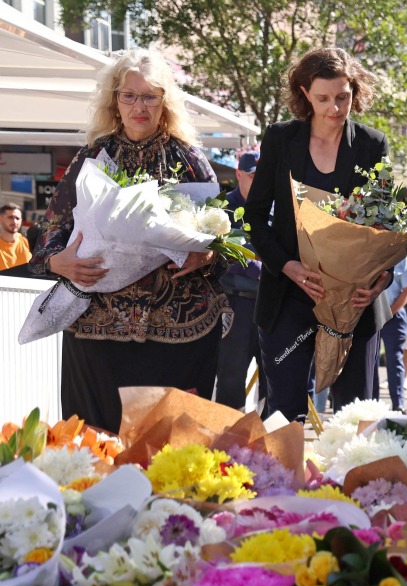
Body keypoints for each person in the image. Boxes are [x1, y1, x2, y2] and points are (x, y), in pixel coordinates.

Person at [29, 49, 224, 433]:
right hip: (95, 328)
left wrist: (207, 257)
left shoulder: (188, 159)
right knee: (96, 445)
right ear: (114, 101)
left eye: (150, 96)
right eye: (129, 95)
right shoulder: (92, 157)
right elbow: (50, 232)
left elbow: (224, 241)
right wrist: (57, 262)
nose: (139, 105)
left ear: (164, 102)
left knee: (169, 447)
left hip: (177, 332)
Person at [245, 46, 393, 422]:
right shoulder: (280, 139)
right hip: (289, 297)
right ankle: (282, 483)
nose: (334, 108)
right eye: (323, 98)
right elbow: (255, 217)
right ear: (304, 93)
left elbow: (387, 228)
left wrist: (380, 280)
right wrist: (287, 266)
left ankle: (352, 482)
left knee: (354, 416)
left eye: (343, 97)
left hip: (354, 301)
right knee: (283, 415)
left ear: (355, 93)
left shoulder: (373, 145)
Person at [213, 151, 263, 409]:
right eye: (253, 176)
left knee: (273, 379)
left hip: (269, 305)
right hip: (235, 305)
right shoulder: (223, 208)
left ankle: (270, 438)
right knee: (231, 377)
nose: (258, 181)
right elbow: (225, 255)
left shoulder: (275, 206)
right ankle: (228, 439)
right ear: (239, 174)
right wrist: (263, 267)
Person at [379, 256, 407, 412]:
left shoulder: (402, 258)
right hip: (370, 315)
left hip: (394, 315)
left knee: (394, 359)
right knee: (369, 360)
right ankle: (370, 402)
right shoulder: (368, 252)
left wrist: (388, 313)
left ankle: (398, 404)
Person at [0, 203, 31, 270]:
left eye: (17, 218)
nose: (14, 221)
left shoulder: (26, 241)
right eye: (10, 217)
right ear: (0, 219)